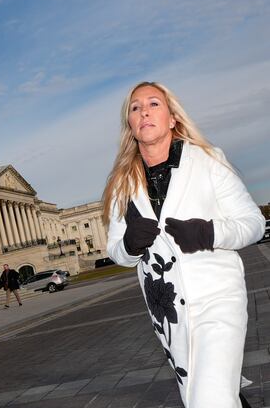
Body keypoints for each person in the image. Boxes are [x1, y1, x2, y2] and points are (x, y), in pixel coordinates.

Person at [104, 82, 264, 408]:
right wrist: (131, 245)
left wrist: (208, 233)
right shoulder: (122, 184)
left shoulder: (207, 160)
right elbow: (116, 251)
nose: (144, 111)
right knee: (201, 396)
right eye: (135, 108)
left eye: (153, 104)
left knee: (210, 400)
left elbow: (253, 223)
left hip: (217, 298)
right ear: (130, 126)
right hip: (168, 315)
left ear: (172, 118)